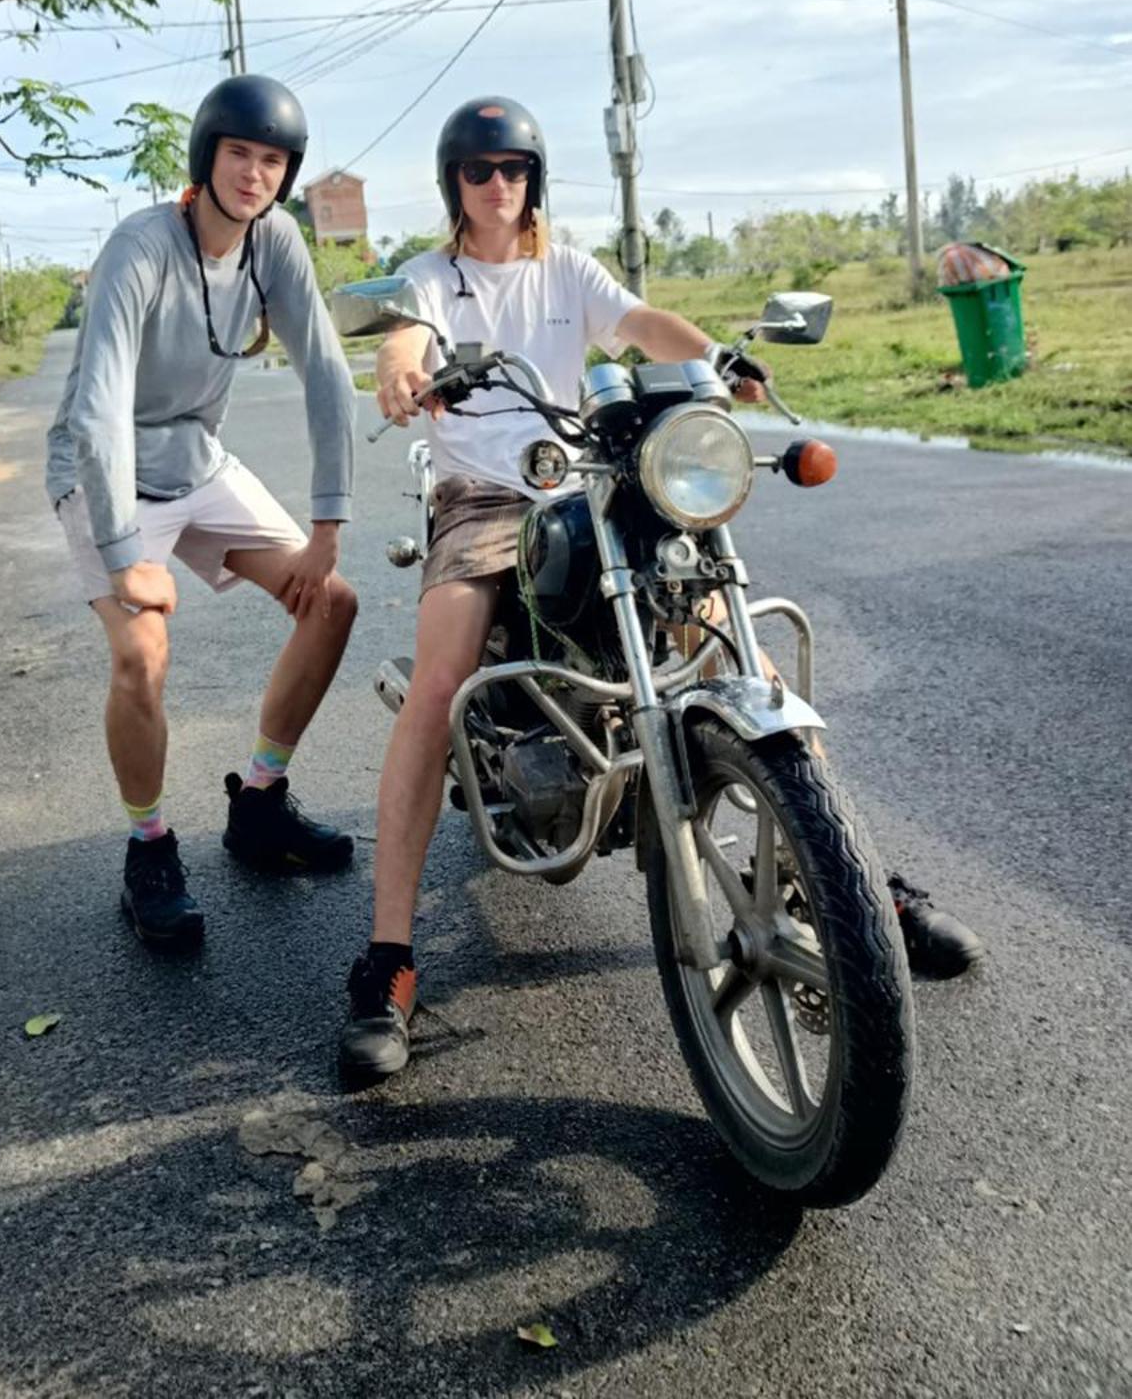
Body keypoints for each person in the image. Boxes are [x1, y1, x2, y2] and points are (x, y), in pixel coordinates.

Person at [339, 96, 979, 1082]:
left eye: (514, 168)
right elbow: (402, 344)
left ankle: (853, 887)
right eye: (479, 170)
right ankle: (388, 961)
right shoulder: (433, 278)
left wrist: (717, 357)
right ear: (453, 184)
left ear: (534, 180)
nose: (497, 184)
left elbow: (642, 325)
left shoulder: (568, 269)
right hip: (484, 494)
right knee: (439, 682)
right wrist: (401, 373)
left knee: (733, 634)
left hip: (588, 476)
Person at [47, 75, 359, 952]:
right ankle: (147, 850)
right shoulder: (141, 246)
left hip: (196, 461)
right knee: (141, 649)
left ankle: (260, 804)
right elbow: (98, 408)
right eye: (239, 154)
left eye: (273, 161)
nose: (255, 174)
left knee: (331, 600)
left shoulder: (276, 243)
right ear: (206, 159)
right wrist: (122, 556)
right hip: (103, 468)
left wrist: (326, 524)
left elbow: (328, 372)